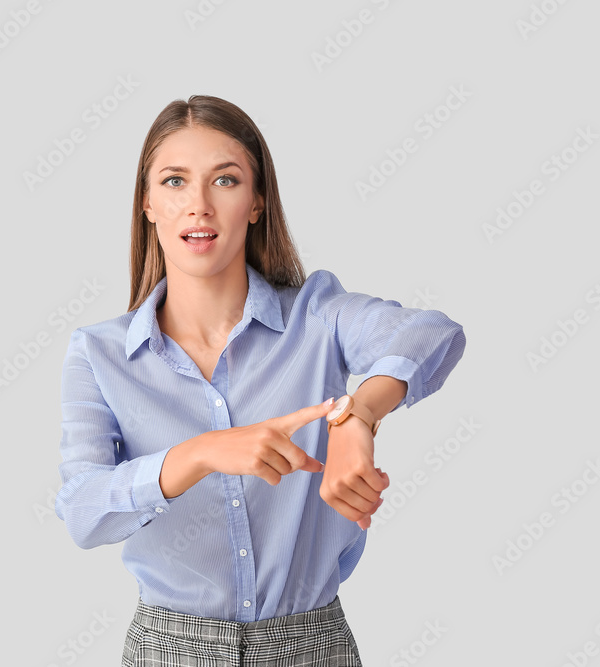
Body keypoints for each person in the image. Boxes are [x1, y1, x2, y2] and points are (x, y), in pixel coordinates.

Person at [54, 95, 466, 666]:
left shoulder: (317, 315)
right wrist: (199, 454)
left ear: (255, 203)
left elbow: (432, 333)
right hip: (169, 650)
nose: (198, 205)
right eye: (174, 182)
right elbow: (81, 511)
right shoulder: (99, 353)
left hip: (311, 646)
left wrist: (360, 414)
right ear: (147, 204)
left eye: (225, 180)